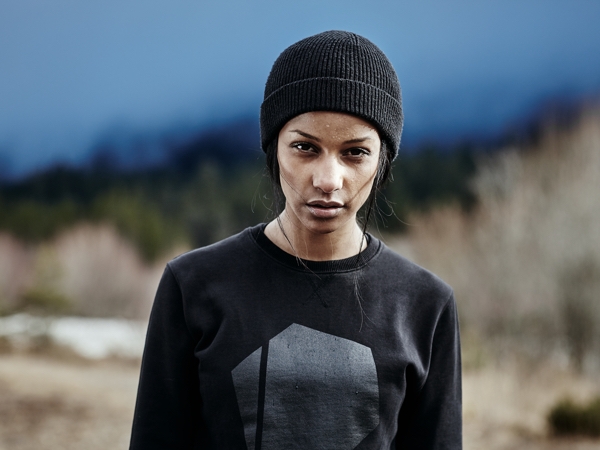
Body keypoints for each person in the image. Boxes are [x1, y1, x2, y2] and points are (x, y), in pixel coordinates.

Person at [130, 30, 462, 449]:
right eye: (305, 147)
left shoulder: (426, 305)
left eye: (355, 152)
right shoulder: (192, 285)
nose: (328, 179)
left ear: (382, 160)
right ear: (274, 149)